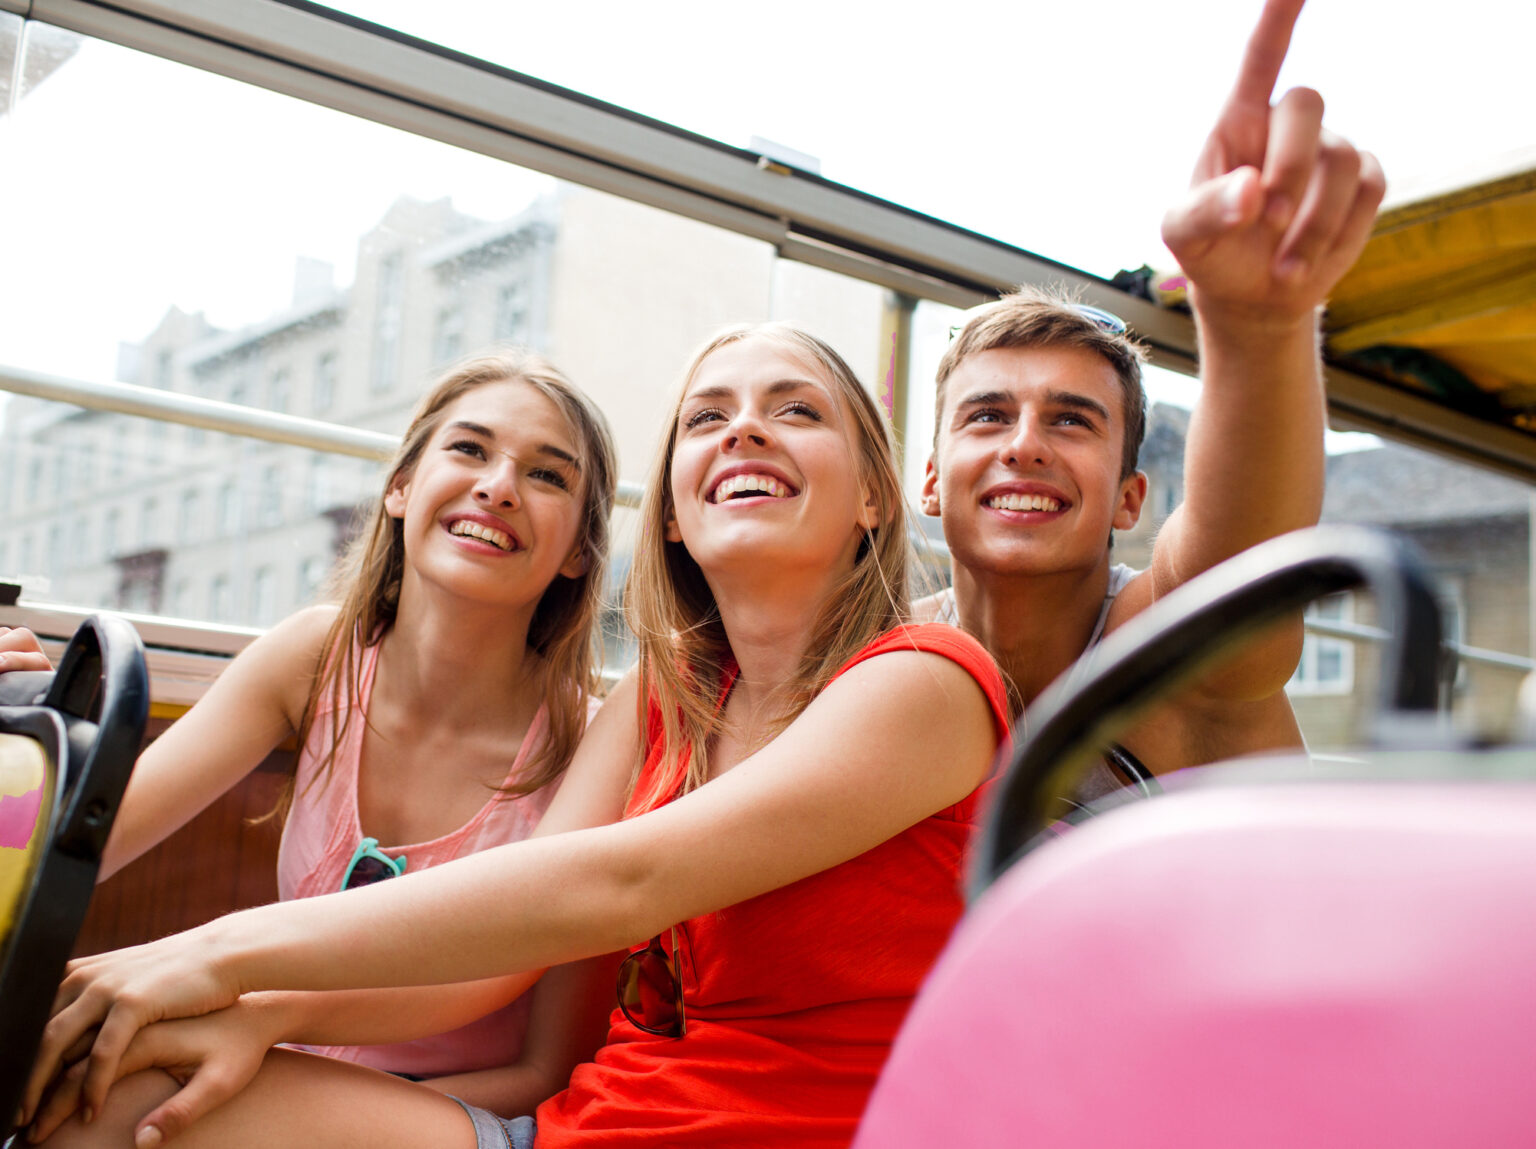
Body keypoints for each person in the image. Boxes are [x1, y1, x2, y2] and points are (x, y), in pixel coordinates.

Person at [23, 324, 1010, 1149]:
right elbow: (514, 953)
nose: (746, 427)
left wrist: (224, 961)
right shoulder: (661, 702)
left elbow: (617, 883)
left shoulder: (924, 683)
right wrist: (247, 1009)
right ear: (669, 513)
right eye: (708, 418)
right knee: (95, 1094)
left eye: (796, 409)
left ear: (876, 497)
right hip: (585, 1128)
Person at [7, 349, 621, 1112]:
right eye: (468, 448)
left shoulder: (597, 747)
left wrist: (276, 1076)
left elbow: (547, 1071)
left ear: (580, 553)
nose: (497, 486)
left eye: (548, 475)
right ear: (400, 488)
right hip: (263, 1055)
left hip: (442, 1110)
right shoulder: (314, 657)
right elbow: (81, 842)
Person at [918, 0, 1386, 787]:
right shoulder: (885, 661)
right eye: (988, 414)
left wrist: (1258, 327)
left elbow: (1240, 563)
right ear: (929, 478)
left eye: (1072, 421)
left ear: (1131, 499)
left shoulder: (1166, 646)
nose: (1024, 443)